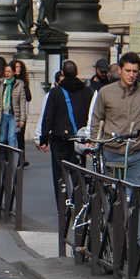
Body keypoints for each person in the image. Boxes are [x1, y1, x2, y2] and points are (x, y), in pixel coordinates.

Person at [88, 52, 140, 186]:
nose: (131, 75)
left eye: (135, 71)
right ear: (119, 70)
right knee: (113, 192)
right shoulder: (106, 92)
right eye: (128, 71)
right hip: (112, 150)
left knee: (138, 193)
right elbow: (97, 119)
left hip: (138, 151)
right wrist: (94, 145)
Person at [40, 60, 95, 208]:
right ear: (77, 73)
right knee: (78, 171)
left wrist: (43, 138)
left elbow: (48, 116)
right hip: (79, 139)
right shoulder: (87, 91)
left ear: (62, 74)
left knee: (59, 173)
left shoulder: (56, 92)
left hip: (59, 138)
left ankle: (62, 204)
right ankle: (79, 202)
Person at [0, 62, 27, 149]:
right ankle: (2, 158)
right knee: (2, 139)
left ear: (14, 72)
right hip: (2, 113)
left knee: (12, 138)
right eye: (6, 71)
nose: (7, 74)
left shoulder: (19, 84)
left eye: (9, 71)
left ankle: (11, 160)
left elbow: (22, 103)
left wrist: (22, 119)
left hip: (13, 115)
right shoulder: (0, 83)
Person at [12, 59, 33, 166]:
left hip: (20, 113)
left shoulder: (23, 81)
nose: (18, 69)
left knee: (20, 137)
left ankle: (22, 158)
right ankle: (8, 157)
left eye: (20, 67)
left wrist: (24, 86)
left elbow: (29, 98)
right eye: (16, 67)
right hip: (10, 113)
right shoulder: (8, 81)